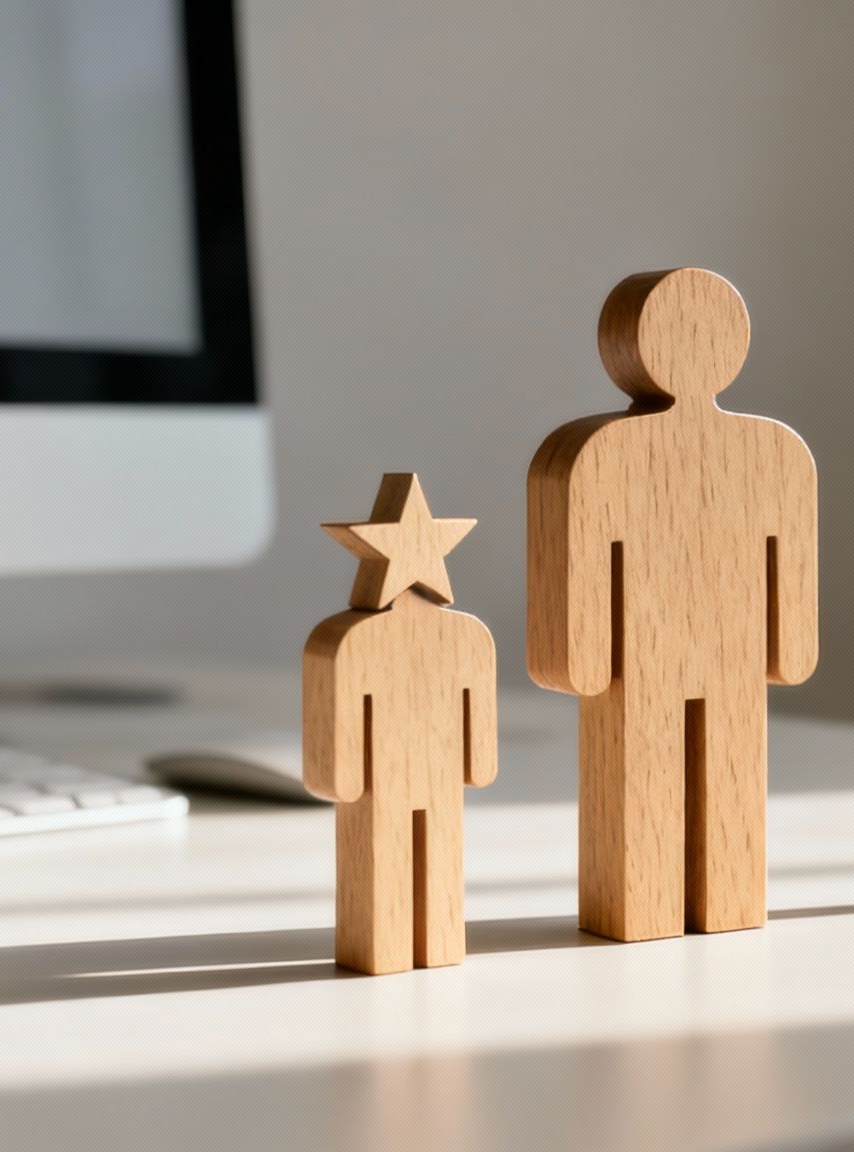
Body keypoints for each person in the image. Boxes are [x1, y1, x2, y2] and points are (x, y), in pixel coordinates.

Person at [528, 268, 818, 942]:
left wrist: (583, 659)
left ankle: (710, 899)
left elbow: (789, 561)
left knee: (721, 779)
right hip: (660, 656)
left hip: (706, 653)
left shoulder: (772, 453)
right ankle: (662, 903)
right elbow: (585, 563)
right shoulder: (601, 453)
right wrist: (583, 659)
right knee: (650, 782)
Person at [305, 473, 498, 973]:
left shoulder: (467, 637)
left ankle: (434, 940)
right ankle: (392, 944)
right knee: (384, 857)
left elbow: (474, 705)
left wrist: (477, 762)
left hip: (431, 774)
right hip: (389, 779)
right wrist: (344, 776)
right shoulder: (353, 641)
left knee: (440, 855)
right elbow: (344, 708)